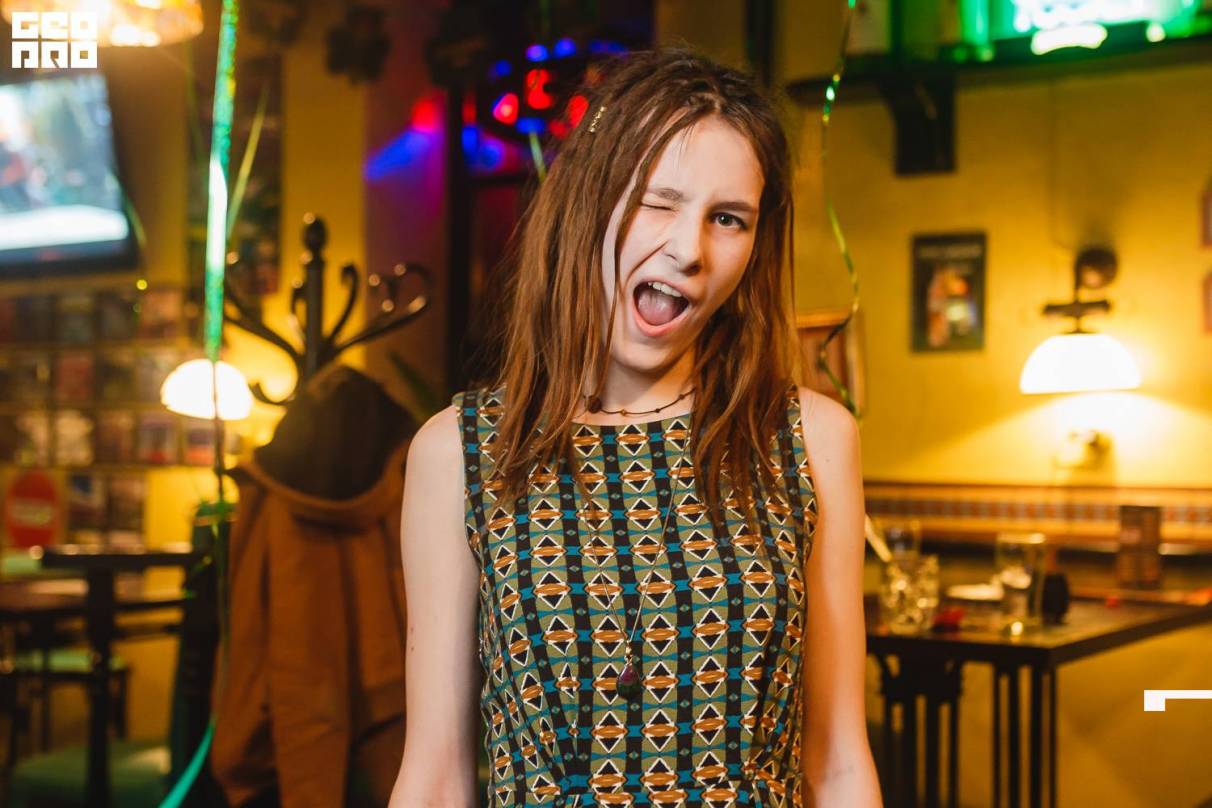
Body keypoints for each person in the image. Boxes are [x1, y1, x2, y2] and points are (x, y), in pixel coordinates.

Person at [390, 47, 881, 808]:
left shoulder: (810, 438)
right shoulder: (459, 450)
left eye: (728, 219)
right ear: (589, 204)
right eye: (659, 201)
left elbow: (839, 760)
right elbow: (435, 775)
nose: (689, 250)